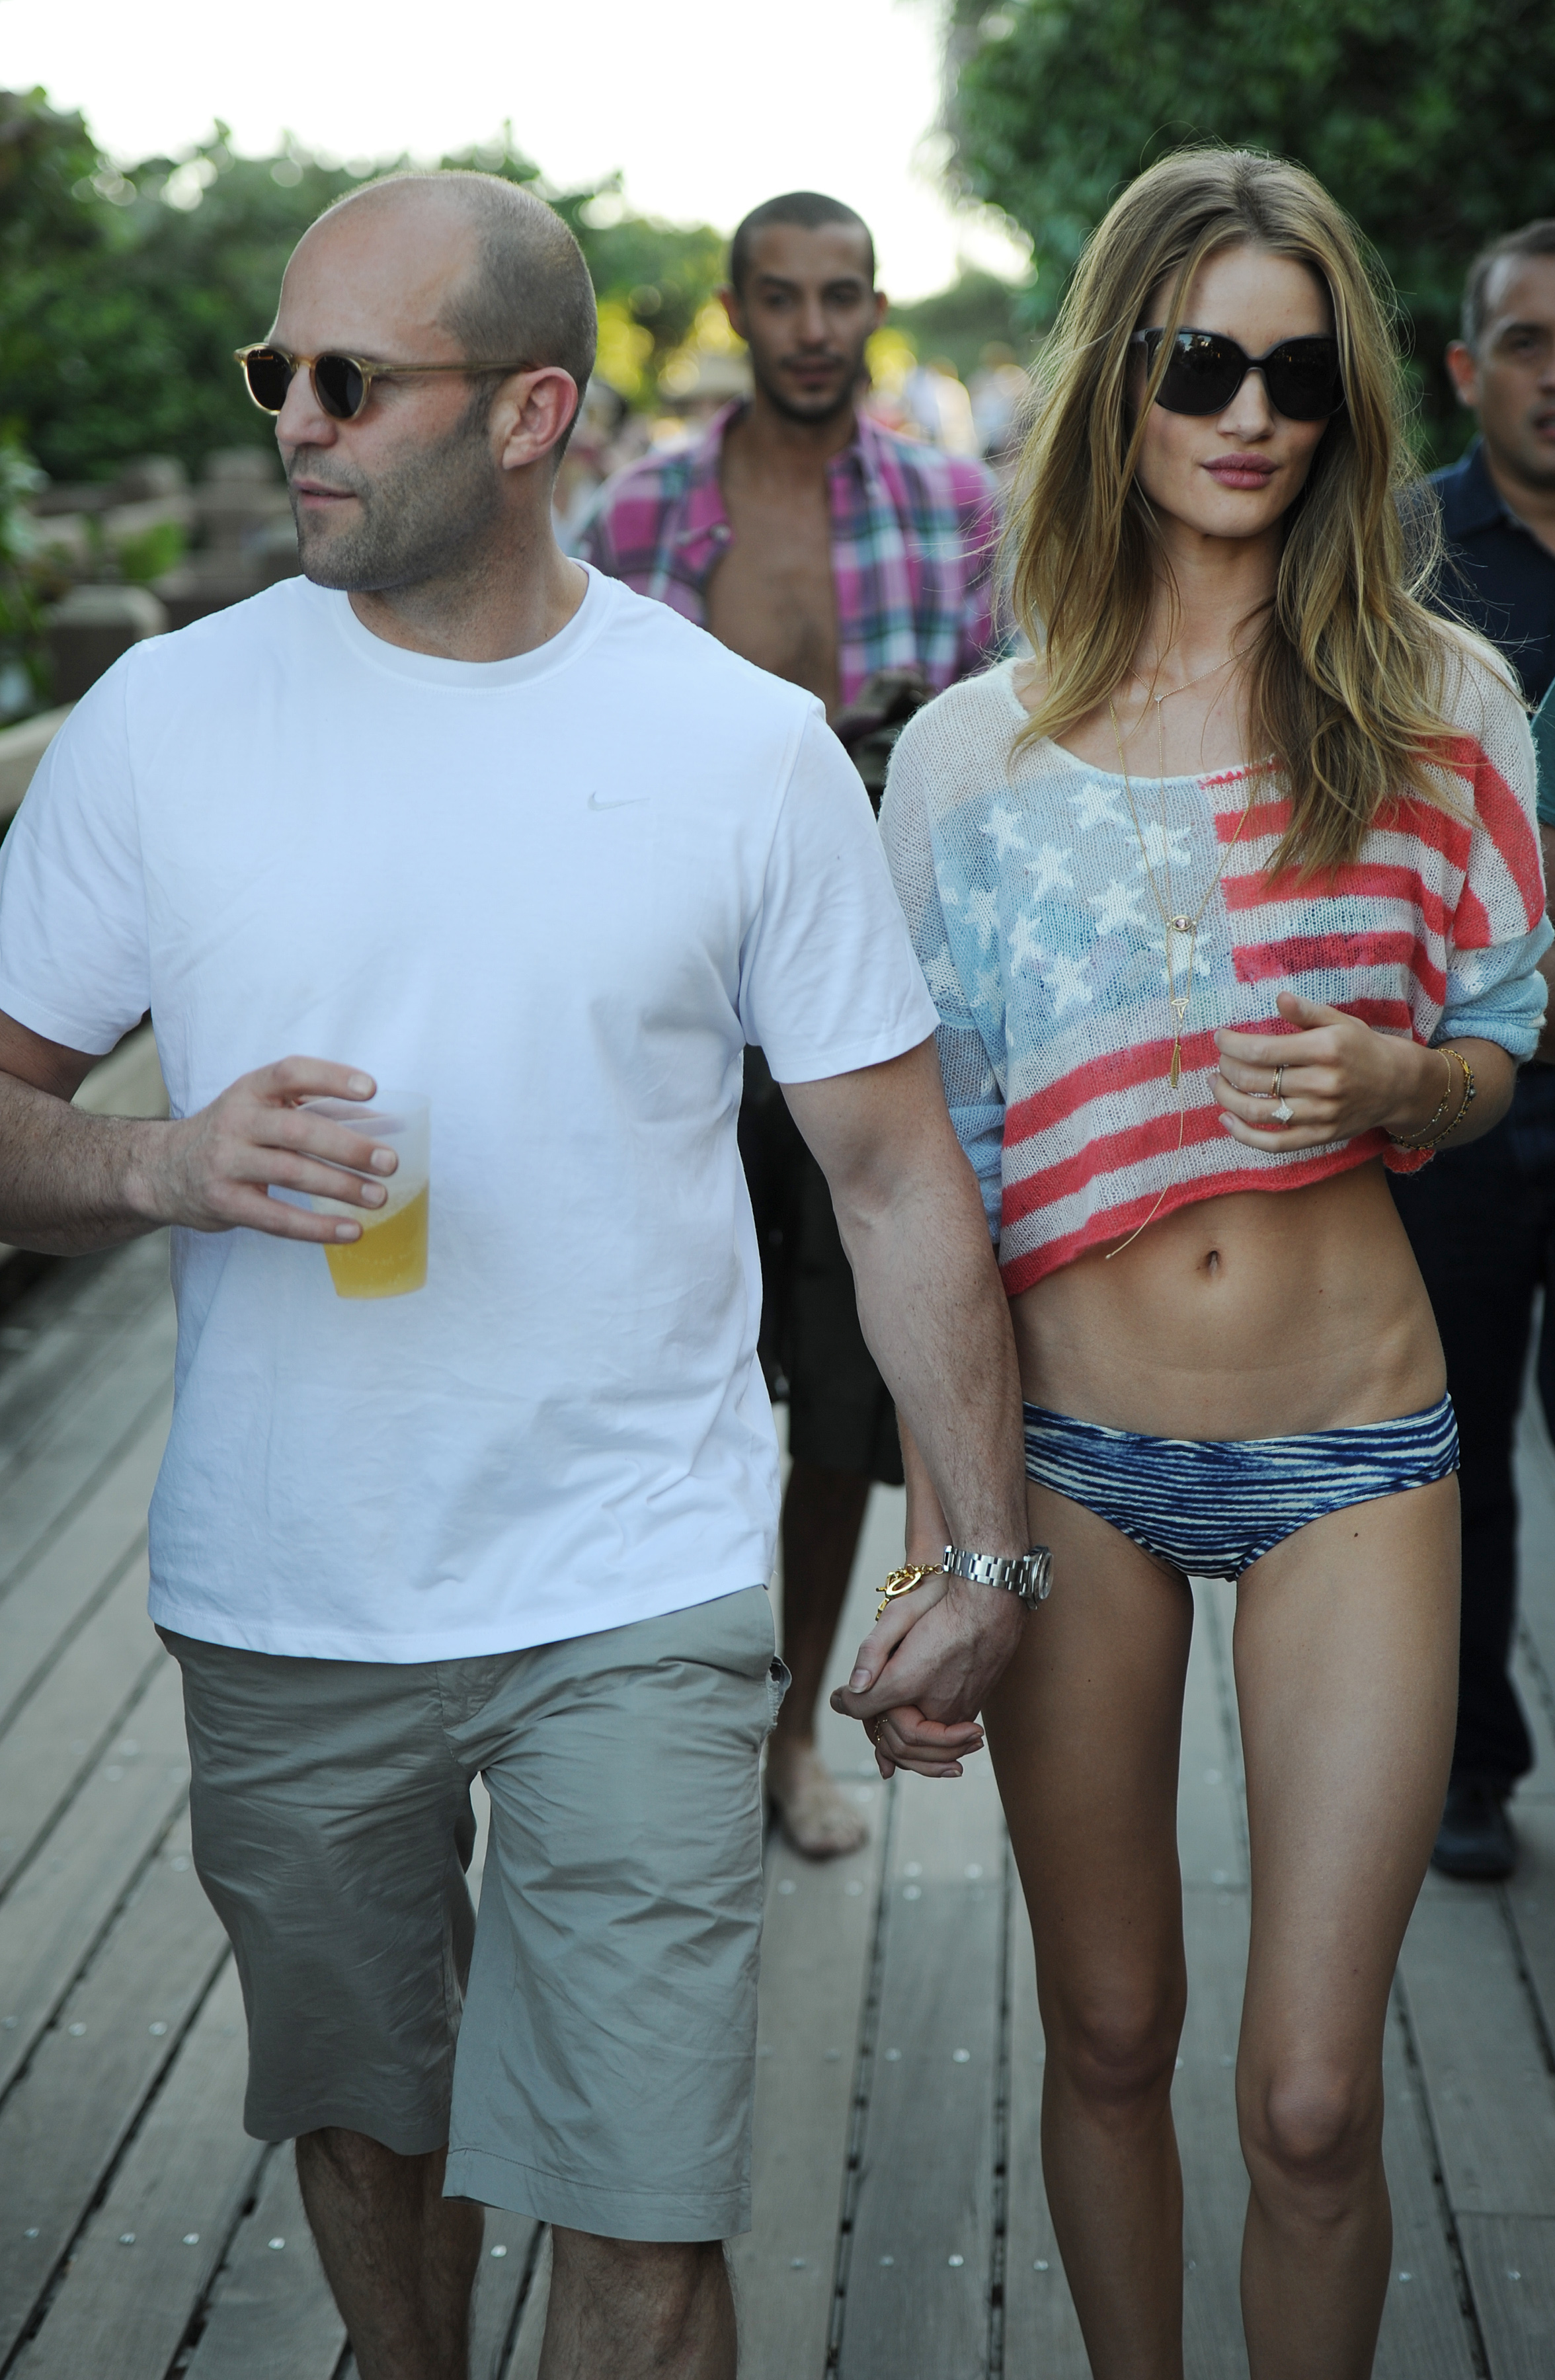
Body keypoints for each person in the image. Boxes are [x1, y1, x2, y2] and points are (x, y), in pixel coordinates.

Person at [0, 171, 1039, 2380]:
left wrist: (978, 1546)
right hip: (287, 1582)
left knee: (641, 2204)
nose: (296, 417)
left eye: (350, 379)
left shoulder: (738, 746)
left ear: (532, 413)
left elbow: (891, 1177)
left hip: (639, 1578)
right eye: (276, 371)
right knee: (371, 2128)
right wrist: (164, 1158)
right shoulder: (164, 724)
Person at [834, 149, 1549, 2376]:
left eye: (1301, 377)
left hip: (1359, 1445)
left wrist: (1403, 1082)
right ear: (1115, 381)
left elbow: (1500, 1049)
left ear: (1351, 405)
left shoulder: (1440, 702)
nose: (1251, 415)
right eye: (1202, 365)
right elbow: (927, 1197)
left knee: (1316, 2103)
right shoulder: (973, 755)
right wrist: (948, 1552)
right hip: (1075, 1467)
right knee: (1114, 2029)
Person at [578, 191, 1002, 1857]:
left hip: (870, 1019)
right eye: (781, 296)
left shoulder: (957, 511)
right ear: (738, 310)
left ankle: (784, 1742)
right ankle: (642, 1748)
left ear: (875, 307)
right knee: (652, 1379)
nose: (814, 328)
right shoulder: (638, 515)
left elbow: (1005, 766)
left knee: (837, 1406)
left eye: (841, 296)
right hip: (673, 1020)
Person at [1391, 218, 1555, 1878]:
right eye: (1530, 340)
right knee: (1449, 1439)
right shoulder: (1401, 554)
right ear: (1467, 368)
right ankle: (1464, 1764)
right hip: (1443, 1086)